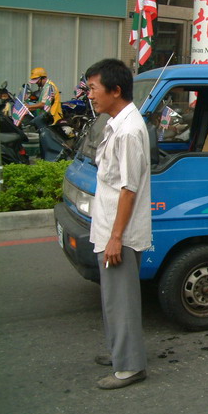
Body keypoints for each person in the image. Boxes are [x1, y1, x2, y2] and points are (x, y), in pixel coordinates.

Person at [86, 59, 151, 390]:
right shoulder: (116, 123)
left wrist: (115, 238)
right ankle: (119, 352)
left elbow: (129, 188)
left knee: (122, 301)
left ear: (115, 90)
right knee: (113, 298)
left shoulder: (128, 131)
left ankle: (129, 367)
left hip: (119, 234)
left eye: (93, 89)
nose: (90, 95)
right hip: (110, 227)